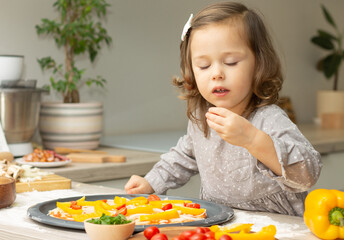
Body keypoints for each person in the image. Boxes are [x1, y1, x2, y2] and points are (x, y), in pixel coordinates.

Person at [124, 1, 321, 216]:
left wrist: (252, 138)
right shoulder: (201, 119)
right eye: (204, 66)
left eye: (231, 61)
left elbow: (307, 174)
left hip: (277, 225)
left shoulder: (269, 118)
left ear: (258, 64)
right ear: (191, 71)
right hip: (220, 222)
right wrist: (150, 182)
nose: (216, 73)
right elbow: (181, 158)